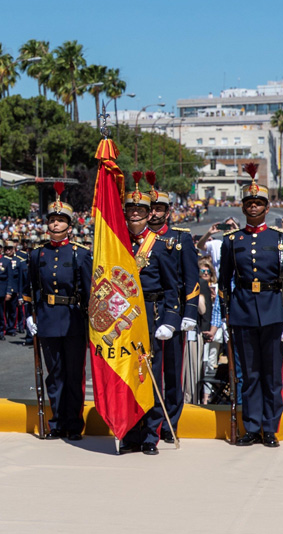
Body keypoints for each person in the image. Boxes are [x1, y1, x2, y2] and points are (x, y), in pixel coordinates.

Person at [219, 168, 283, 448]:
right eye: (249, 203)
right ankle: (251, 427)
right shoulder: (232, 241)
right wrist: (226, 315)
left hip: (274, 312)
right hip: (242, 313)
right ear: (243, 207)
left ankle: (270, 428)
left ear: (267, 207)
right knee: (249, 376)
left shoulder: (281, 241)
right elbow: (223, 283)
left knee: (271, 376)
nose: (253, 206)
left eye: (258, 203)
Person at [24, 186, 92, 440]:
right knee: (54, 376)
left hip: (73, 319)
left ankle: (74, 425)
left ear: (69, 226)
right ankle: (57, 422)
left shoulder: (81, 254)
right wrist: (30, 315)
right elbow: (29, 288)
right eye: (52, 220)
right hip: (48, 319)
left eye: (60, 221)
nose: (54, 225)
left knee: (74, 375)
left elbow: (89, 292)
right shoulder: (37, 254)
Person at [119, 183, 181, 456]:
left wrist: (169, 319)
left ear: (148, 214)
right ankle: (131, 433)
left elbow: (172, 287)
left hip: (152, 318)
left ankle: (150, 435)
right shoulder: (116, 245)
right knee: (129, 378)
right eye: (131, 209)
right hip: (126, 321)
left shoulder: (161, 245)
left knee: (150, 378)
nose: (135, 214)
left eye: (140, 210)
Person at [147, 179, 199, 442]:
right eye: (151, 208)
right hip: (146, 312)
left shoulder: (180, 237)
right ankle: (153, 421)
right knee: (151, 370)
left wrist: (189, 312)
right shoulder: (138, 239)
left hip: (173, 312)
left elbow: (192, 278)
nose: (154, 212)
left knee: (172, 371)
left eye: (159, 208)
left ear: (168, 211)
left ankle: (171, 423)